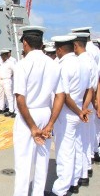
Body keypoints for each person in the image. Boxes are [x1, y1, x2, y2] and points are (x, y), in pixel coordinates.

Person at [13, 26, 65, 196]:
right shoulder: (54, 64)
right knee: (42, 161)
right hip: (45, 113)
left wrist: (33, 127)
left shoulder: (23, 64)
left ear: (25, 43)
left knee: (23, 162)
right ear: (41, 43)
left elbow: (20, 98)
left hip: (27, 115)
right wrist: (50, 124)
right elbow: (60, 96)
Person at [50, 35, 91, 196]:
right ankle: (74, 181)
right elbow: (89, 89)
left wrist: (79, 111)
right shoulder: (82, 64)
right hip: (78, 113)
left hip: (67, 114)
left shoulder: (64, 66)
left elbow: (65, 96)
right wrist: (82, 109)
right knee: (77, 147)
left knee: (64, 152)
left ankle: (60, 190)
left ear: (59, 49)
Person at [69, 32, 98, 188]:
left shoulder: (80, 61)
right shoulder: (91, 60)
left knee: (78, 142)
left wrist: (83, 109)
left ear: (75, 45)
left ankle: (81, 174)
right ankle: (86, 171)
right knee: (86, 140)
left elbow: (89, 89)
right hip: (88, 105)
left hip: (81, 106)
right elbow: (93, 87)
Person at [0, 50, 15, 116]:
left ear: (6, 55)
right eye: (1, 55)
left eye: (3, 55)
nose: (2, 57)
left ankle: (11, 110)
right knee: (1, 95)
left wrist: (10, 76)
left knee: (9, 95)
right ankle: (1, 108)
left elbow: (15, 71)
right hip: (1, 80)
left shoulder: (10, 63)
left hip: (7, 80)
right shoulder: (0, 63)